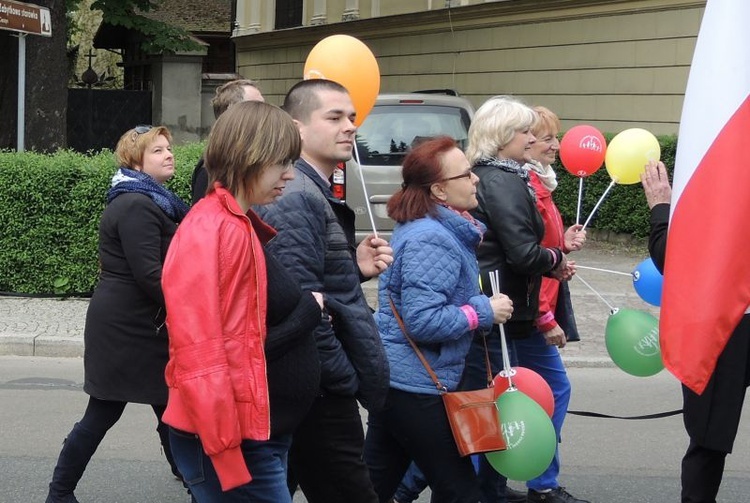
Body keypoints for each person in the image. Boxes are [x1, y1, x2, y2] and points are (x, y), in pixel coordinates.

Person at [160, 101, 320, 502]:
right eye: (281, 161)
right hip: (231, 439)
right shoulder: (215, 228)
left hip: (240, 435)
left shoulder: (231, 223)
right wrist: (226, 450)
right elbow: (201, 351)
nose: (289, 173)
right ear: (249, 156)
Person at [255, 79, 392, 503]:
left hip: (313, 383)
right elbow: (300, 305)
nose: (350, 126)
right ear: (297, 129)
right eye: (334, 117)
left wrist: (354, 268)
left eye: (352, 116)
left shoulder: (309, 187)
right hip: (317, 387)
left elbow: (312, 280)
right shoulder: (295, 194)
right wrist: (341, 379)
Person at [363, 136, 514, 503]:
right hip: (418, 388)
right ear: (440, 190)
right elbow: (423, 320)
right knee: (460, 491)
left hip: (403, 381)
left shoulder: (434, 229)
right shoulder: (431, 238)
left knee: (371, 488)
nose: (476, 179)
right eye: (466, 174)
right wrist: (484, 310)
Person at [46, 125, 189, 503]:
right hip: (126, 329)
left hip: (143, 324)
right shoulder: (135, 205)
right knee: (104, 412)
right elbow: (149, 274)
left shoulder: (153, 199)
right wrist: (191, 309)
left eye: (168, 148)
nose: (168, 154)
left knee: (170, 408)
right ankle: (59, 492)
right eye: (157, 150)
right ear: (136, 160)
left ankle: (194, 481)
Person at [466, 95, 575, 503]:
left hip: (512, 310)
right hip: (503, 311)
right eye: (526, 131)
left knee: (531, 394)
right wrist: (555, 259)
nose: (533, 139)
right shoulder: (501, 179)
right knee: (492, 405)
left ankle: (527, 477)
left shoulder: (505, 175)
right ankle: (495, 483)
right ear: (503, 136)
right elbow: (523, 252)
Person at [641, 160, 750, 503]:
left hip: (722, 323)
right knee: (708, 437)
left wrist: (660, 207)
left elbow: (672, 258)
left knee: (707, 439)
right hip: (724, 324)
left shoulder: (719, 171)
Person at [512, 106, 588, 503]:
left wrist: (563, 245)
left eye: (556, 137)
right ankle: (540, 480)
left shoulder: (541, 185)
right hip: (530, 313)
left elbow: (542, 250)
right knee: (552, 390)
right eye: (547, 139)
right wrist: (544, 317)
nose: (556, 145)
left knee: (508, 394)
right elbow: (524, 257)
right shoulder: (527, 187)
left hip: (532, 309)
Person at [191, 79, 264, 204]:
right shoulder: (212, 168)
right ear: (232, 113)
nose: (265, 112)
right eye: (256, 106)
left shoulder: (257, 156)